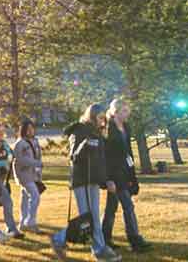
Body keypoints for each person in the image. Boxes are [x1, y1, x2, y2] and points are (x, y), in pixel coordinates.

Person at [50, 104, 121, 262]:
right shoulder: (79, 130)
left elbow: (101, 161)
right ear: (92, 116)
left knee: (92, 217)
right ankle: (97, 249)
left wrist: (106, 180)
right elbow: (73, 156)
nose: (103, 120)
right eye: (100, 117)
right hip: (81, 180)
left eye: (104, 117)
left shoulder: (98, 133)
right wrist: (84, 145)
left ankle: (96, 248)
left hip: (93, 180)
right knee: (88, 218)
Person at [102, 98, 151, 253]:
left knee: (112, 208)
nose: (127, 114)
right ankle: (133, 239)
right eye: (124, 111)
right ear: (115, 111)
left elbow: (128, 152)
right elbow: (104, 156)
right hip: (113, 174)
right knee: (126, 206)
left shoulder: (126, 127)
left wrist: (132, 175)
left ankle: (106, 238)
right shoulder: (107, 129)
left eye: (127, 111)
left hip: (124, 172)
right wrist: (108, 179)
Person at [13, 120, 43, 233]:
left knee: (25, 198)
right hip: (23, 174)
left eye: (32, 128)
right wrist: (36, 163)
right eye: (28, 128)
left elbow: (38, 156)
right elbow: (20, 159)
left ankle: (22, 223)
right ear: (23, 130)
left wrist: (39, 169)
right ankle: (31, 222)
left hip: (33, 174)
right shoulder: (20, 143)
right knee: (35, 196)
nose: (31, 130)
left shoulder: (35, 141)